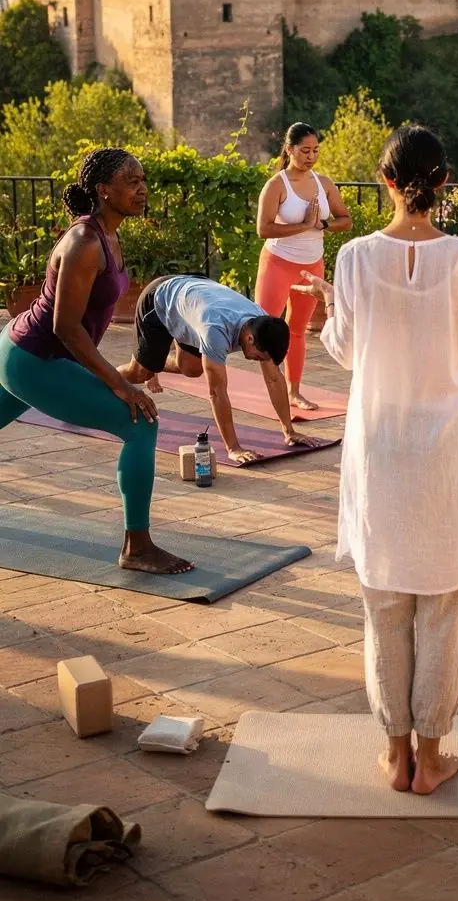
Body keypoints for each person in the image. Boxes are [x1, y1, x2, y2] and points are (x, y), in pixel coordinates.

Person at [296, 125, 458, 795]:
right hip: (445, 448)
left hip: (380, 443)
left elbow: (345, 351)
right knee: (441, 604)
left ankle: (394, 754)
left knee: (383, 602)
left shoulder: (354, 257)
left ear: (386, 181)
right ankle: (432, 759)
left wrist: (331, 306)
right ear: (443, 183)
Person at [0, 149, 192, 575]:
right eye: (131, 181)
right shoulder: (85, 242)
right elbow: (66, 328)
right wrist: (119, 384)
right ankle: (137, 548)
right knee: (140, 423)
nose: (142, 189)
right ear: (103, 190)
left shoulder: (108, 235)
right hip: (34, 358)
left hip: (25, 352)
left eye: (143, 180)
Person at [119, 274, 322, 466]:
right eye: (260, 356)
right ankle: (106, 375)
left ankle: (154, 362)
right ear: (250, 338)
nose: (260, 361)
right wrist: (233, 448)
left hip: (193, 300)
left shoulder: (263, 324)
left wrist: (289, 431)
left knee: (191, 369)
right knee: (140, 374)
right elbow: (216, 393)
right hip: (160, 299)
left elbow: (274, 379)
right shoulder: (216, 332)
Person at [254, 122, 351, 411]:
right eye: (305, 150)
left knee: (297, 330)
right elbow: (263, 229)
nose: (311, 156)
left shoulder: (325, 184)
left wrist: (323, 224)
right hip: (277, 263)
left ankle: (293, 392)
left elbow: (345, 220)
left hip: (311, 266)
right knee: (264, 330)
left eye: (316, 150)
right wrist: (304, 225)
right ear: (289, 150)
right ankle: (273, 390)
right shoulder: (276, 185)